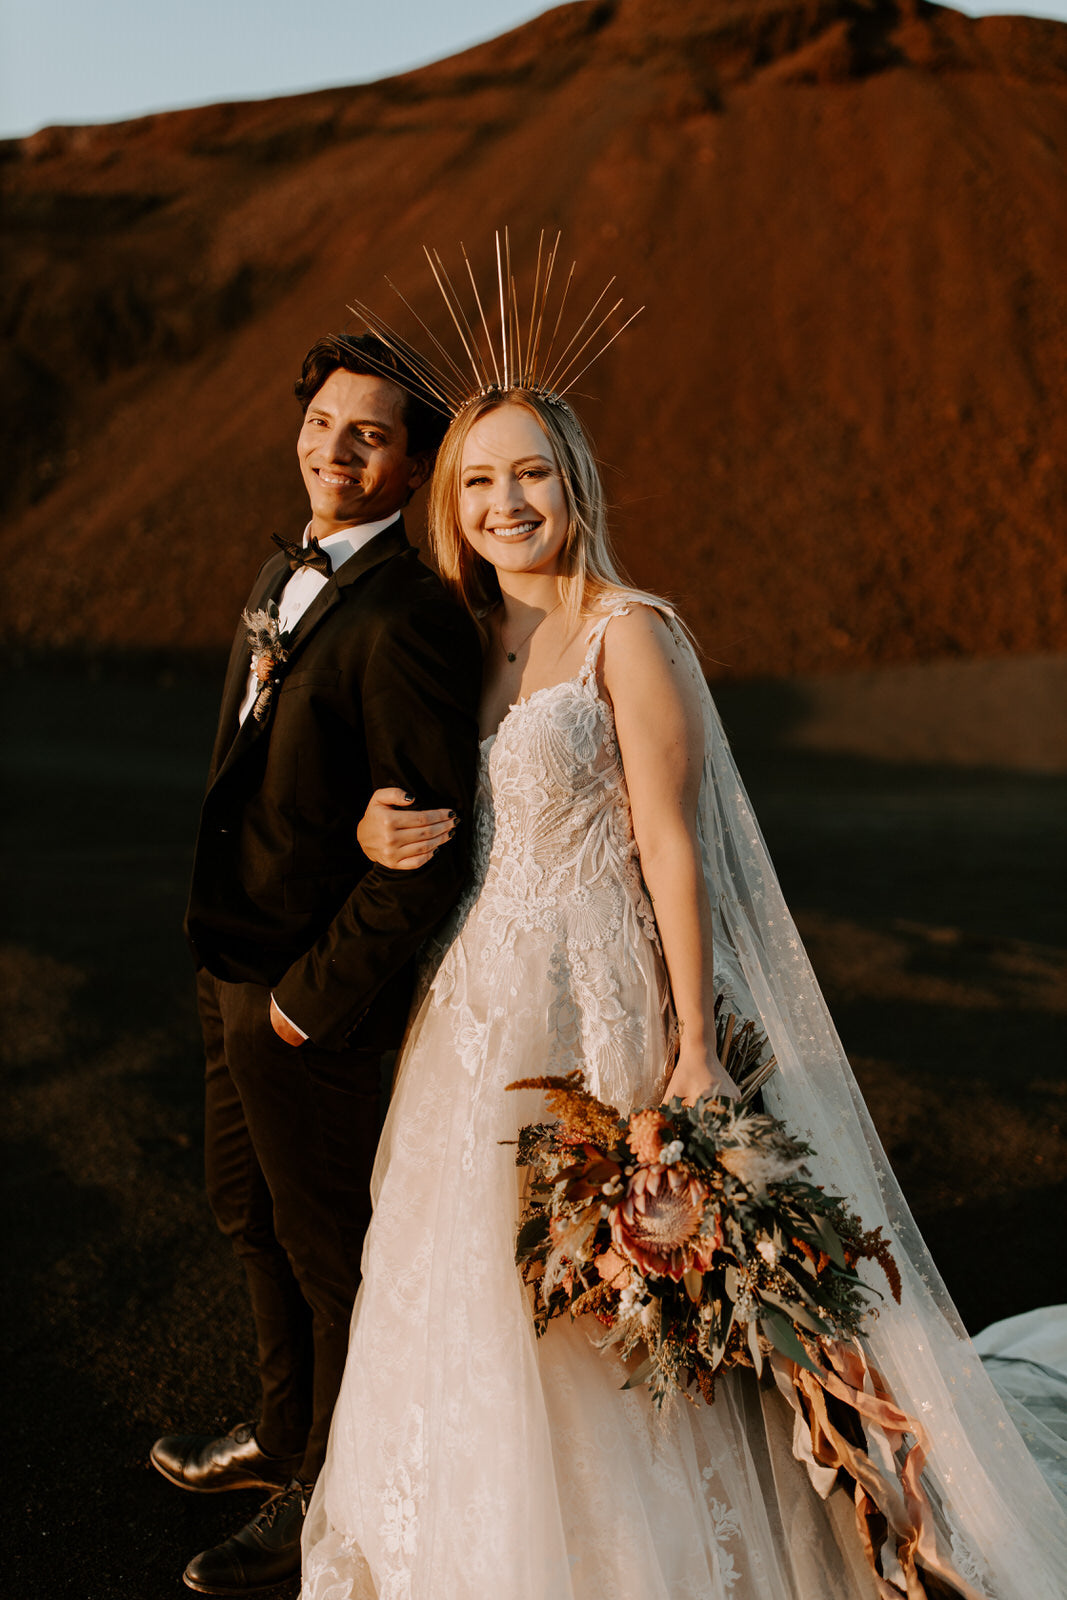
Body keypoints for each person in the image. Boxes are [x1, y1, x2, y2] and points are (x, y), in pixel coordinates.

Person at [299, 366, 1067, 1597]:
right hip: (474, 1010)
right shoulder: (456, 638)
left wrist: (692, 1044)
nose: (507, 502)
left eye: (531, 472)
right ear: (451, 499)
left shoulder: (628, 630)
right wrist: (364, 835)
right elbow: (419, 800)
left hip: (596, 1004)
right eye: (480, 479)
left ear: (577, 483)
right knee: (463, 1279)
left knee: (611, 1290)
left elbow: (672, 843)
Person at [151, 333, 482, 1594]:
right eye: (323, 422)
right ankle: (283, 1428)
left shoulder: (406, 618)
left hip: (306, 998)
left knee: (330, 1249)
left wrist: (305, 1002)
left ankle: (325, 1496)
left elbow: (428, 847)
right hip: (227, 959)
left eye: (370, 435)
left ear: (410, 471)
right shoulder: (282, 564)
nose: (334, 448)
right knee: (247, 1213)